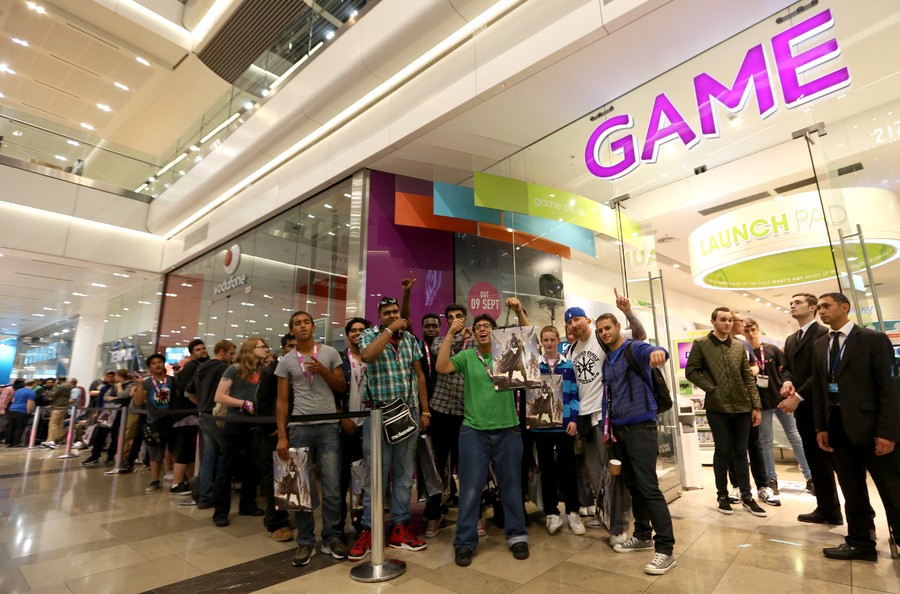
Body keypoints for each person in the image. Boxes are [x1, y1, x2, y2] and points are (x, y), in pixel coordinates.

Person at [435, 302, 529, 567]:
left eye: (487, 326)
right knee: (470, 490)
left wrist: (520, 310)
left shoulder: (507, 353)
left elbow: (526, 335)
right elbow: (441, 367)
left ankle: (517, 535)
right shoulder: (467, 357)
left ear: (494, 331)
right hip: (473, 432)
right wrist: (452, 334)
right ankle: (464, 542)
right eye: (477, 328)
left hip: (508, 429)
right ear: (474, 334)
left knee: (511, 487)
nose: (482, 330)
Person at [812, 292, 900, 561]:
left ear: (844, 307)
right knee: (852, 490)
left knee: (893, 489)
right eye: (819, 308)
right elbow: (819, 389)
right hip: (838, 428)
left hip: (873, 429)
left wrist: (887, 432)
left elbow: (890, 387)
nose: (821, 312)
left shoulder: (873, 339)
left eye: (826, 306)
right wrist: (820, 427)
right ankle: (861, 542)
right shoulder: (820, 345)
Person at [349, 296, 431, 561]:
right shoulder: (370, 336)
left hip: (408, 412)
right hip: (379, 413)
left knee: (405, 474)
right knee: (376, 473)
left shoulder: (409, 339)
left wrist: (425, 410)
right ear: (379, 315)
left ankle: (399, 527)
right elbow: (368, 356)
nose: (392, 315)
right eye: (387, 313)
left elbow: (419, 374)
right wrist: (389, 330)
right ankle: (370, 529)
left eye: (395, 312)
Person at [596, 313, 676, 575]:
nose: (605, 333)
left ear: (618, 327)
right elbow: (609, 396)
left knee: (649, 487)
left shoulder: (633, 348)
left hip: (642, 428)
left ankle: (665, 550)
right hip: (619, 431)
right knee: (634, 486)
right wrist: (609, 429)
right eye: (601, 330)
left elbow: (656, 350)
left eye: (608, 328)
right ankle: (643, 535)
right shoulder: (608, 360)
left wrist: (660, 353)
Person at [565, 289, 645, 544]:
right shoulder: (571, 350)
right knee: (595, 472)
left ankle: (619, 525)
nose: (573, 325)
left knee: (612, 470)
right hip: (584, 419)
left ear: (587, 320)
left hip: (605, 416)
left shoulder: (603, 340)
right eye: (568, 322)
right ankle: (604, 512)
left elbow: (640, 335)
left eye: (576, 319)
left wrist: (628, 311)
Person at [275, 311, 348, 566]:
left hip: (328, 428)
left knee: (332, 489)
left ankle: (332, 537)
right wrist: (282, 436)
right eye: (297, 323)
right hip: (300, 428)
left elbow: (341, 387)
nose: (302, 326)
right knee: (299, 491)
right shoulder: (285, 360)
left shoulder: (329, 353)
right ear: (292, 330)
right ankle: (305, 542)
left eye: (306, 322)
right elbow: (282, 401)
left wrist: (323, 371)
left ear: (314, 327)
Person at [685, 307, 766, 517]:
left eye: (730, 320)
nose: (727, 323)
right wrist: (712, 388)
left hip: (742, 406)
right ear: (713, 321)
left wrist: (756, 406)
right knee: (722, 451)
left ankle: (747, 496)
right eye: (723, 320)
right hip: (717, 407)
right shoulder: (701, 344)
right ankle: (722, 496)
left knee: (741, 451)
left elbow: (748, 376)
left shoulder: (739, 346)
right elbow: (691, 371)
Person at [778, 293, 844, 525]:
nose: (792, 305)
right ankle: (827, 509)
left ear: (812, 307)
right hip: (803, 410)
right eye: (791, 302)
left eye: (797, 302)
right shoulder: (791, 338)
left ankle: (857, 518)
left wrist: (797, 395)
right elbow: (786, 368)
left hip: (822, 408)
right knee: (815, 460)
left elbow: (822, 373)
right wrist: (786, 381)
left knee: (835, 462)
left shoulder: (824, 334)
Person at [742, 317, 812, 506]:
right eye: (747, 331)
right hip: (761, 404)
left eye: (753, 330)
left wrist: (790, 392)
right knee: (765, 442)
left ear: (758, 329)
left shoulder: (771, 349)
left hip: (782, 400)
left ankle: (809, 476)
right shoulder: (743, 352)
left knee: (795, 437)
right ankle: (771, 479)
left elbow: (784, 372)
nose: (750, 334)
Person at [211, 337, 268, 526]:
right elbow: (219, 396)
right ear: (251, 349)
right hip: (235, 421)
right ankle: (221, 511)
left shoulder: (261, 371)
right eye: (261, 347)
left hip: (254, 423)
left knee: (252, 464)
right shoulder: (234, 369)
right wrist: (242, 403)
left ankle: (248, 504)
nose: (265, 349)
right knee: (228, 465)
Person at [533, 325, 583, 536]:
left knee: (568, 469)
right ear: (542, 342)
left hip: (564, 426)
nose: (550, 343)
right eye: (546, 340)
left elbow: (573, 394)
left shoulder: (568, 365)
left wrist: (573, 419)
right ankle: (551, 513)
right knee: (546, 471)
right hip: (542, 426)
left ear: (557, 340)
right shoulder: (535, 366)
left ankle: (573, 511)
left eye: (553, 339)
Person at [183, 340, 236, 504]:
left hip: (203, 415)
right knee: (225, 454)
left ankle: (205, 495)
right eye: (231, 353)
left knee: (208, 457)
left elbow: (188, 392)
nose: (232, 357)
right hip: (217, 416)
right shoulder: (223, 369)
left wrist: (201, 404)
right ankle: (217, 493)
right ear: (222, 351)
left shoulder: (201, 367)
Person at [255, 334, 295, 541]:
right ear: (283, 348)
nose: (293, 349)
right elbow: (261, 401)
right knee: (274, 479)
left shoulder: (298, 371)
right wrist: (271, 428)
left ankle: (285, 515)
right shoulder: (272, 371)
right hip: (273, 434)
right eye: (290, 346)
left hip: (291, 432)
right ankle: (274, 523)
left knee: (288, 477)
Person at [337, 317, 370, 538]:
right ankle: (337, 525)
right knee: (341, 479)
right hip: (346, 426)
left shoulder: (374, 356)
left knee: (364, 477)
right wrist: (342, 417)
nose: (357, 333)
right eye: (353, 330)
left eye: (362, 330)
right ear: (347, 335)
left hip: (369, 425)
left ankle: (360, 522)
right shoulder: (338, 359)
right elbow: (332, 391)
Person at [132, 355, 178, 492]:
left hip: (172, 420)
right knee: (155, 453)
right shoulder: (146, 383)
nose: (157, 365)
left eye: (160, 362)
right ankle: (154, 480)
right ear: (149, 367)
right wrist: (139, 384)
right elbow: (138, 402)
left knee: (175, 450)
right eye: (154, 363)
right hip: (154, 421)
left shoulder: (172, 381)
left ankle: (178, 480)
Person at [42, 377, 73, 449]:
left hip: (58, 406)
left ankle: (50, 440)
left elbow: (54, 395)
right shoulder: (68, 386)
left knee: (53, 423)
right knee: (59, 424)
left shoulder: (61, 386)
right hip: (64, 406)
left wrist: (55, 386)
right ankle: (56, 441)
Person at [5, 379, 37, 446]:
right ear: (33, 384)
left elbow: (13, 400)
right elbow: (29, 403)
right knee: (20, 427)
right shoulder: (31, 392)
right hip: (22, 410)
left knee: (11, 426)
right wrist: (29, 412)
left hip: (12, 409)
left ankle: (8, 442)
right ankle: (16, 442)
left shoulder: (18, 390)